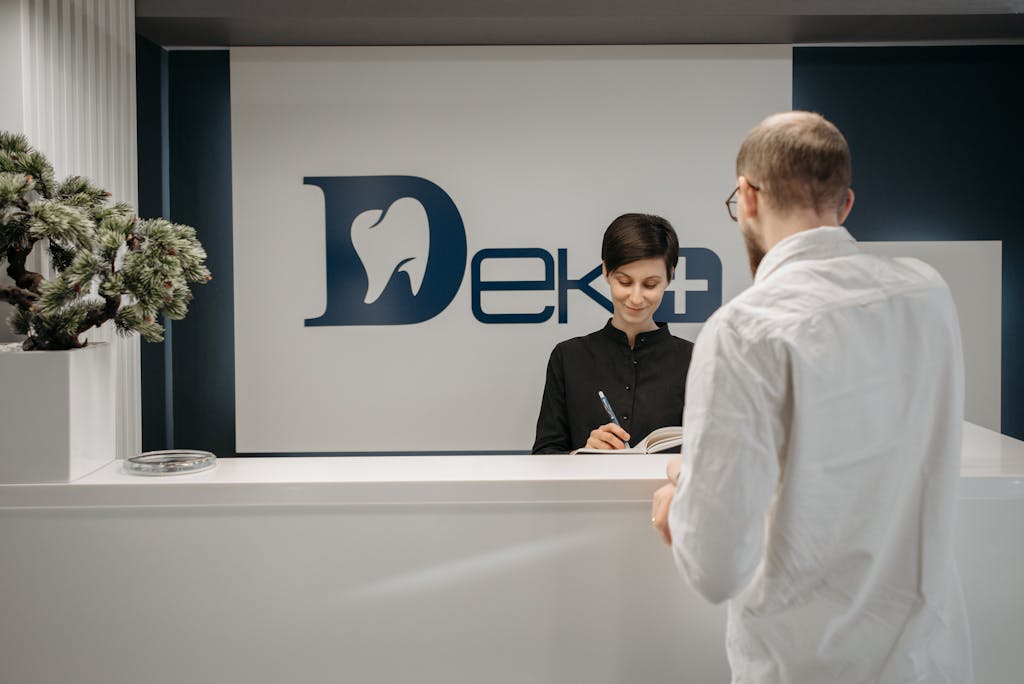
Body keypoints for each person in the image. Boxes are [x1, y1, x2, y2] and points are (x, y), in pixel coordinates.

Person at [651, 111, 972, 682]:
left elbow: (716, 569)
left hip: (803, 666)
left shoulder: (744, 330)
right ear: (844, 204)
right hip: (929, 662)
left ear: (747, 196)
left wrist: (679, 503)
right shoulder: (928, 293)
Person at [532, 213, 693, 454]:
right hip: (590, 493)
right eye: (625, 282)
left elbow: (716, 457)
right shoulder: (569, 357)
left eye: (650, 284)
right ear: (606, 271)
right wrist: (584, 453)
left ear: (670, 276)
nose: (636, 298)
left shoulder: (696, 359)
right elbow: (544, 456)